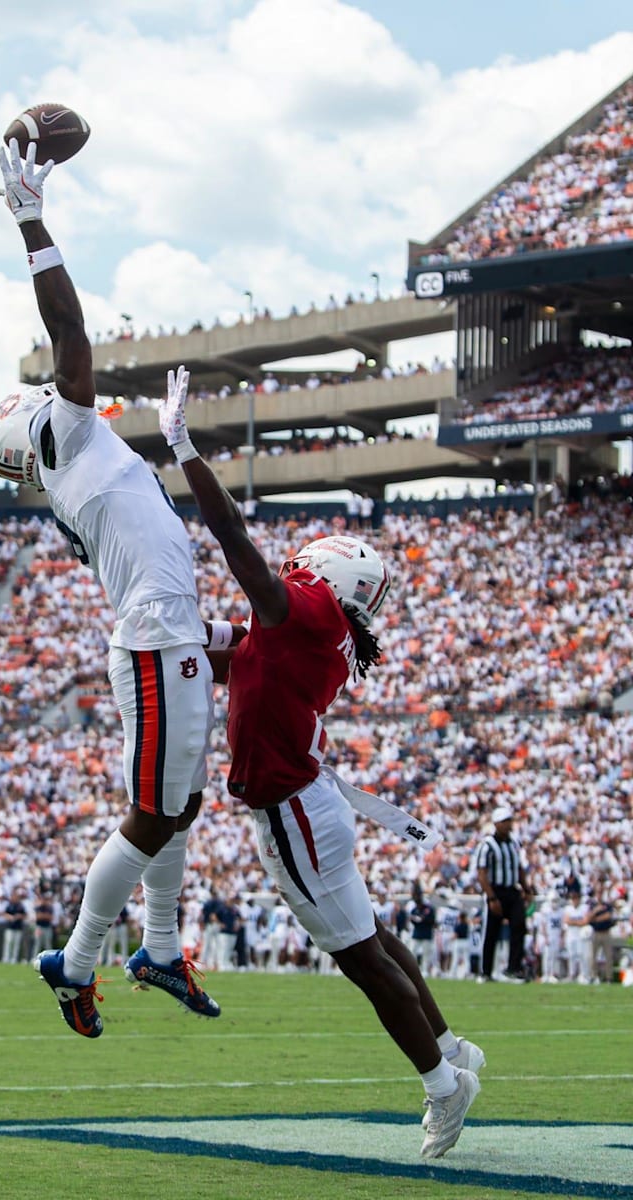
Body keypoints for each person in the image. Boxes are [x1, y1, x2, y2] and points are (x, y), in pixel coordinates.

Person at [157, 365, 483, 1159]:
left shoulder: (309, 610)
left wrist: (186, 453)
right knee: (371, 938)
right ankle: (450, 1044)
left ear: (326, 578)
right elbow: (238, 647)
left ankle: (444, 1083)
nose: (294, 571)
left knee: (362, 960)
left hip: (294, 810)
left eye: (306, 568)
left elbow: (241, 552)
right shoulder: (322, 630)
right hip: (310, 804)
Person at [0, 137, 218, 1038]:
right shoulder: (74, 441)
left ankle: (157, 945)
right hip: (157, 642)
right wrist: (31, 221)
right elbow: (71, 335)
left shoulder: (76, 467)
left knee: (180, 803)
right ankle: (76, 958)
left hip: (170, 635)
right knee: (155, 809)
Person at [474, 805, 532, 983]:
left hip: (512, 890)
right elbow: (482, 873)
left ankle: (513, 969)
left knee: (519, 927)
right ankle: (485, 971)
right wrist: (491, 897)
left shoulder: (513, 843)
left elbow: (519, 868)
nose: (509, 825)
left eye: (510, 821)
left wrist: (527, 889)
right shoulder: (487, 845)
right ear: (497, 824)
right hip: (496, 890)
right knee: (491, 931)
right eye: (505, 822)